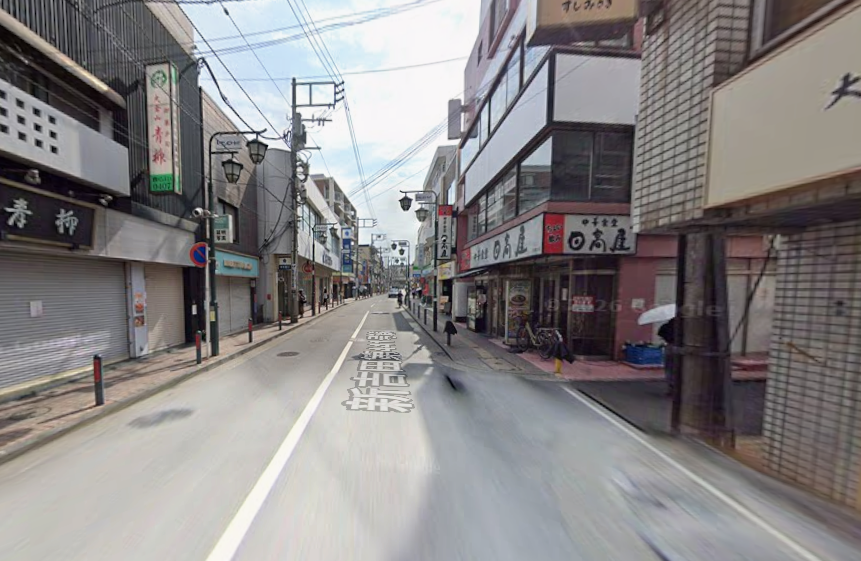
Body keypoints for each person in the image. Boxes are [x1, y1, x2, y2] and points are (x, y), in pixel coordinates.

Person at [658, 317, 677, 396]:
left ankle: (670, 388)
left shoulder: (665, 326)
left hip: (669, 346)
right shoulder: (683, 327)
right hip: (679, 346)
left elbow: (660, 334)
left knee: (669, 367)